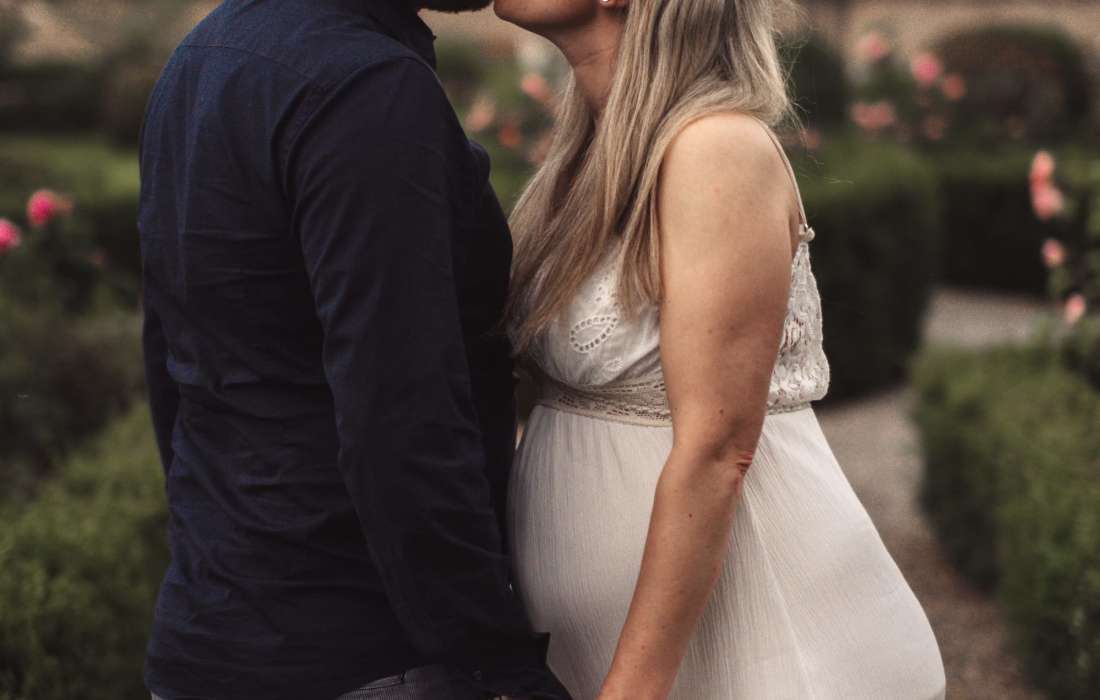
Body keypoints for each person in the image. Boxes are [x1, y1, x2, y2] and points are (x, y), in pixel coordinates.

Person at [494, 0, 949, 698]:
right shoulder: (589, 151)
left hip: (750, 641)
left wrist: (632, 687)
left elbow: (718, 449)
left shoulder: (716, 147)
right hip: (607, 650)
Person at [137, 0, 572, 698]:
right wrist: (498, 666)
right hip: (360, 648)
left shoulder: (201, 55)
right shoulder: (365, 87)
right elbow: (401, 418)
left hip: (210, 629)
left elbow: (172, 359)